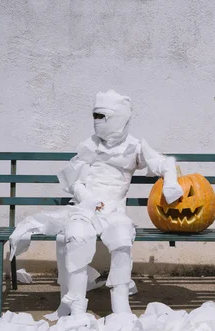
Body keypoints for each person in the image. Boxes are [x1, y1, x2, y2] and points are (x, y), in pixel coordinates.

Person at [10, 90, 183, 317]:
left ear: (120, 117)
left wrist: (171, 182)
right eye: (95, 116)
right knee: (76, 235)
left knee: (122, 236)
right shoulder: (89, 145)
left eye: (103, 116)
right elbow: (76, 181)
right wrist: (88, 200)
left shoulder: (135, 147)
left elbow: (164, 163)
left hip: (115, 211)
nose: (97, 122)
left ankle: (120, 304)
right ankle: (76, 306)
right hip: (85, 209)